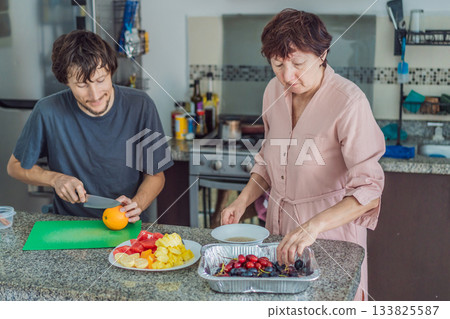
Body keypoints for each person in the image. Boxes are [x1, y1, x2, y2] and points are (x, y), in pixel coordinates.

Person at [221, 9, 385, 301]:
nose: (287, 76)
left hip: (331, 239)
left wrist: (314, 226)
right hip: (279, 233)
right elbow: (269, 159)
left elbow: (369, 191)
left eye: (298, 63)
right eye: (277, 64)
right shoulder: (273, 91)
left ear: (322, 55)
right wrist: (242, 200)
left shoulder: (349, 103)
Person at [7, 30, 173, 222]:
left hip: (125, 225)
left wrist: (137, 204)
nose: (95, 95)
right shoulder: (47, 111)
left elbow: (156, 176)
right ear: (66, 82)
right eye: (81, 84)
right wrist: (55, 179)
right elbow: (15, 167)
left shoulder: (141, 105)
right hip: (68, 224)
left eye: (101, 80)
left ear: (111, 70)